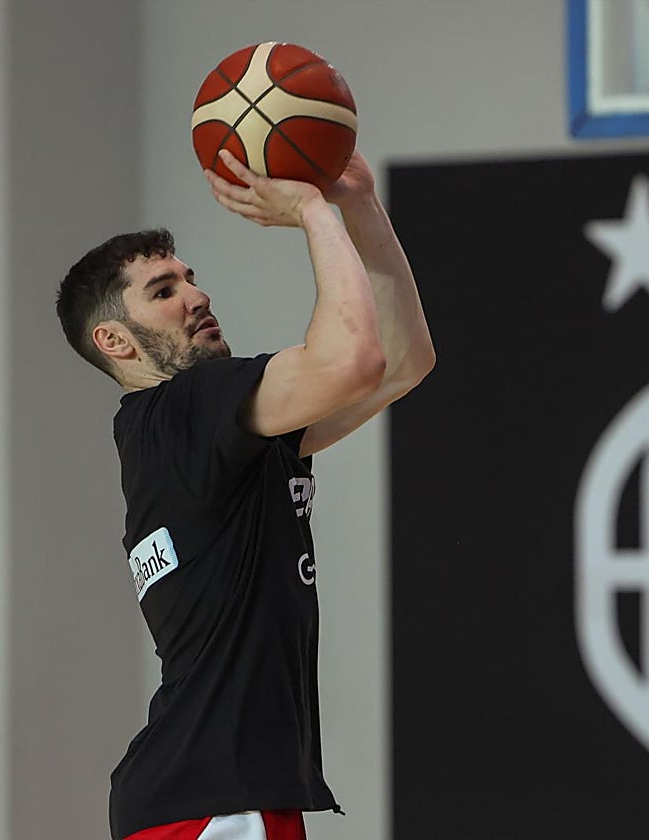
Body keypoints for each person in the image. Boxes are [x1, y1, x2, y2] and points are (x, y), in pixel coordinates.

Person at [55, 148, 434, 840]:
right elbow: (357, 359)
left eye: (190, 279)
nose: (196, 296)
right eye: (163, 290)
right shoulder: (184, 408)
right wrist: (314, 211)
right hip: (215, 804)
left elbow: (404, 362)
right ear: (114, 340)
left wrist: (360, 204)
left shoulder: (188, 437)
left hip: (201, 798)